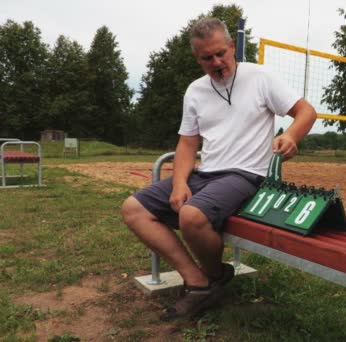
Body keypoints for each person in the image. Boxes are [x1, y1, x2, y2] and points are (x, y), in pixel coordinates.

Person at [121, 17, 316, 321]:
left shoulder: (260, 77)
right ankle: (199, 281)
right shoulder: (195, 91)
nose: (216, 62)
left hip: (249, 175)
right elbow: (187, 144)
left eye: (220, 53)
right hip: (206, 173)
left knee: (192, 215)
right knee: (133, 209)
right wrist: (178, 182)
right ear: (196, 58)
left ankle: (212, 277)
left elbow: (306, 111)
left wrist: (290, 135)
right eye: (206, 58)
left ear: (231, 47)